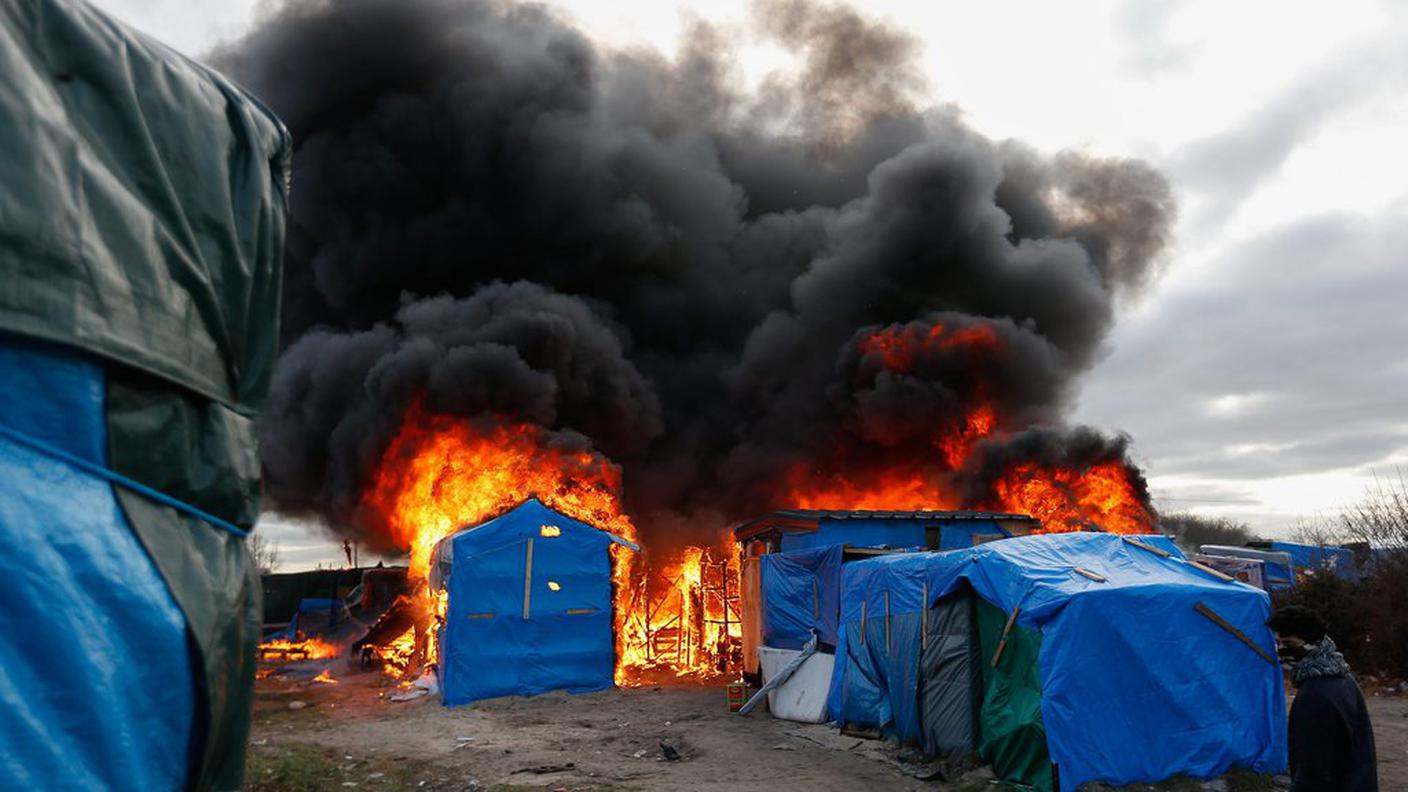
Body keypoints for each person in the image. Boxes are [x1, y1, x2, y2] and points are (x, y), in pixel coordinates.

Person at [1267, 605, 1377, 791]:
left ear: (1314, 643)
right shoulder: (1343, 677)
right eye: (1278, 643)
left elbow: (1313, 773)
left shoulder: (1314, 695)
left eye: (1290, 644)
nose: (1282, 651)